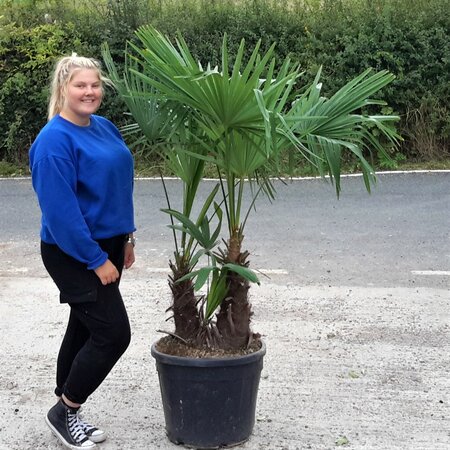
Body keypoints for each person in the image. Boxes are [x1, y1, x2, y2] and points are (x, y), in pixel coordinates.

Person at [29, 54, 136, 449]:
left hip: (107, 243)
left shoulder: (105, 128)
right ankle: (64, 410)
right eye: (80, 85)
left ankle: (67, 407)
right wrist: (95, 260)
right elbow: (61, 214)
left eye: (94, 85)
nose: (89, 92)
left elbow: (119, 187)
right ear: (63, 89)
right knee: (112, 333)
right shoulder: (53, 142)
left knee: (86, 324)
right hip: (73, 250)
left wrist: (126, 238)